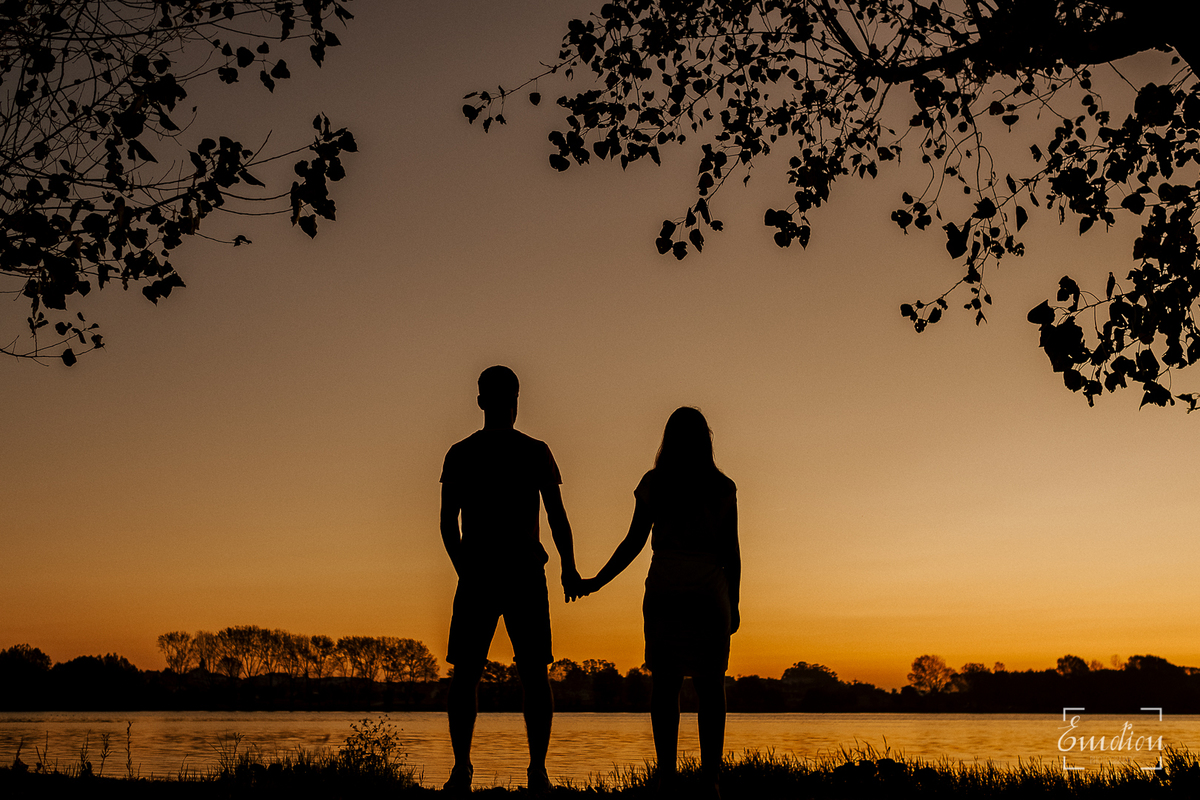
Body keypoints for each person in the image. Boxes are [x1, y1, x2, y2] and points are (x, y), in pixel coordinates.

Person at [580, 406, 739, 797]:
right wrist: (734, 604)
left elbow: (634, 542)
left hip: (666, 587)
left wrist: (599, 580)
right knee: (710, 687)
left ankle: (667, 778)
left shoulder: (656, 483)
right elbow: (731, 553)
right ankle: (710, 781)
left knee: (665, 687)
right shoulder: (721, 488)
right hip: (708, 591)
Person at [439, 366, 583, 793]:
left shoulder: (463, 452)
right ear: (513, 400)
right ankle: (532, 771)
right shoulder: (531, 451)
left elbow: (448, 524)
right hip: (517, 572)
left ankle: (466, 769)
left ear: (482, 401)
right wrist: (568, 568)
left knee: (469, 674)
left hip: (493, 572)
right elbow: (557, 518)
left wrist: (463, 564)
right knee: (529, 674)